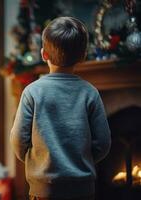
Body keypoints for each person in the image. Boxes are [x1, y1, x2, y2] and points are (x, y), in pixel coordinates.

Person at [10, 17, 111, 200]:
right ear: (83, 56)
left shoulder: (32, 92)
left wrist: (37, 161)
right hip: (82, 191)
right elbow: (103, 143)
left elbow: (18, 140)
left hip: (43, 191)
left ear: (44, 54)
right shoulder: (90, 93)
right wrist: (82, 159)